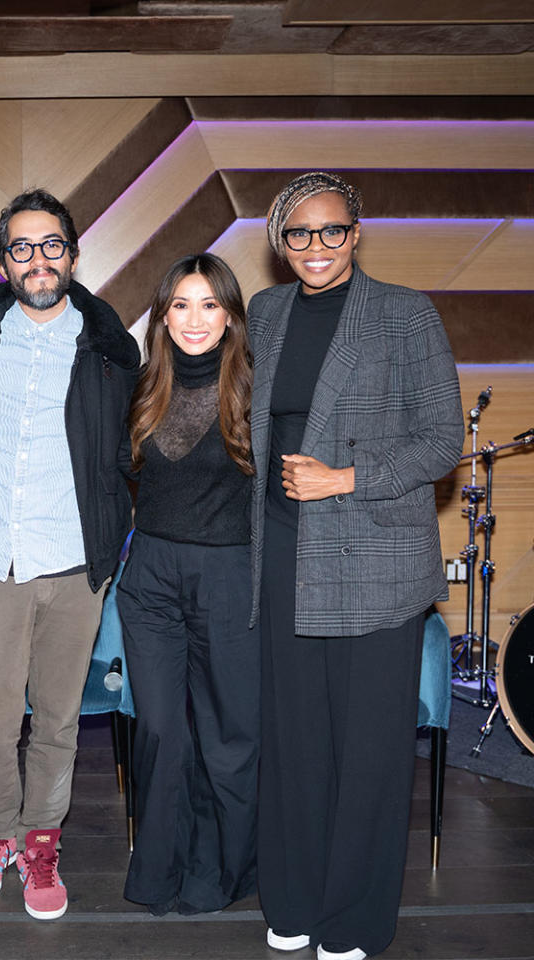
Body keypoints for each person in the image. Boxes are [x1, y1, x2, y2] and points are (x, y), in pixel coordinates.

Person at [249, 172, 463, 960]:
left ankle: (354, 917)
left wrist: (344, 478)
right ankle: (297, 898)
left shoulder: (405, 313)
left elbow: (445, 441)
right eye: (298, 234)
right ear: (280, 241)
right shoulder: (266, 313)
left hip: (376, 554)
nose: (315, 247)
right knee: (295, 740)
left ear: (356, 234)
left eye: (331, 231)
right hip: (283, 553)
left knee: (369, 748)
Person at [0, 188, 139, 920]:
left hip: (72, 564)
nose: (38, 260)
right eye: (22, 248)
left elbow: (131, 448)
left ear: (73, 253)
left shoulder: (108, 348)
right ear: (2, 261)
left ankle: (40, 839)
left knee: (58, 721)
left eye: (51, 245)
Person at [117, 253, 258, 917]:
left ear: (229, 315)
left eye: (209, 305)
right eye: (180, 304)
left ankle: (222, 872)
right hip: (149, 580)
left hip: (230, 576)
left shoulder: (256, 390)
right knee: (162, 733)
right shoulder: (143, 386)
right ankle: (158, 872)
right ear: (163, 315)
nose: (194, 319)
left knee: (228, 740)